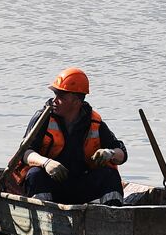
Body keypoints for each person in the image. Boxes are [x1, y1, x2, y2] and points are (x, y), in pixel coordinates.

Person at [12, 67, 127, 205]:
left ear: (76, 101)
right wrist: (46, 163)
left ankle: (113, 218)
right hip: (51, 185)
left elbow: (122, 154)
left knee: (110, 175)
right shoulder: (43, 118)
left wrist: (109, 153)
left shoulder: (93, 121)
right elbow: (25, 152)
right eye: (55, 94)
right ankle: (46, 219)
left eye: (61, 96)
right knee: (35, 174)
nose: (55, 100)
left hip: (80, 185)